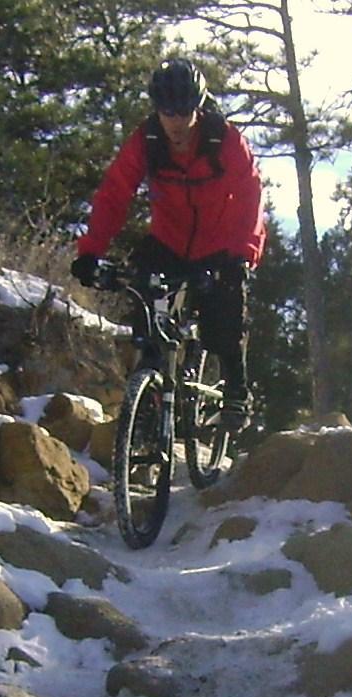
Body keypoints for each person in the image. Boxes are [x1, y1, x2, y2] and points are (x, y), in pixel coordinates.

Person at [71, 58, 267, 429]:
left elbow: (250, 196)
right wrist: (91, 251)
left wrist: (243, 254)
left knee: (224, 316)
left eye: (184, 111)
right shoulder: (146, 142)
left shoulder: (224, 140)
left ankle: (236, 391)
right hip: (169, 241)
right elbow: (115, 193)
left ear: (198, 106)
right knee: (145, 314)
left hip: (220, 244)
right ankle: (147, 403)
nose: (176, 121)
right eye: (167, 112)